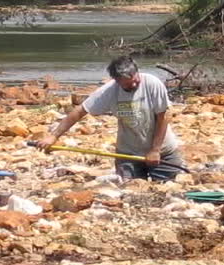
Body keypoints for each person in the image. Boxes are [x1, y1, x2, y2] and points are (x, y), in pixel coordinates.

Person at [38, 55, 185, 181]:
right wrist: (53, 136)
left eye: (135, 80)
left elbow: (164, 116)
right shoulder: (109, 91)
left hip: (163, 152)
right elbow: (79, 111)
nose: (134, 84)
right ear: (116, 80)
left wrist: (155, 150)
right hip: (128, 154)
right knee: (130, 191)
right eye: (127, 84)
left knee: (166, 189)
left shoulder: (152, 84)